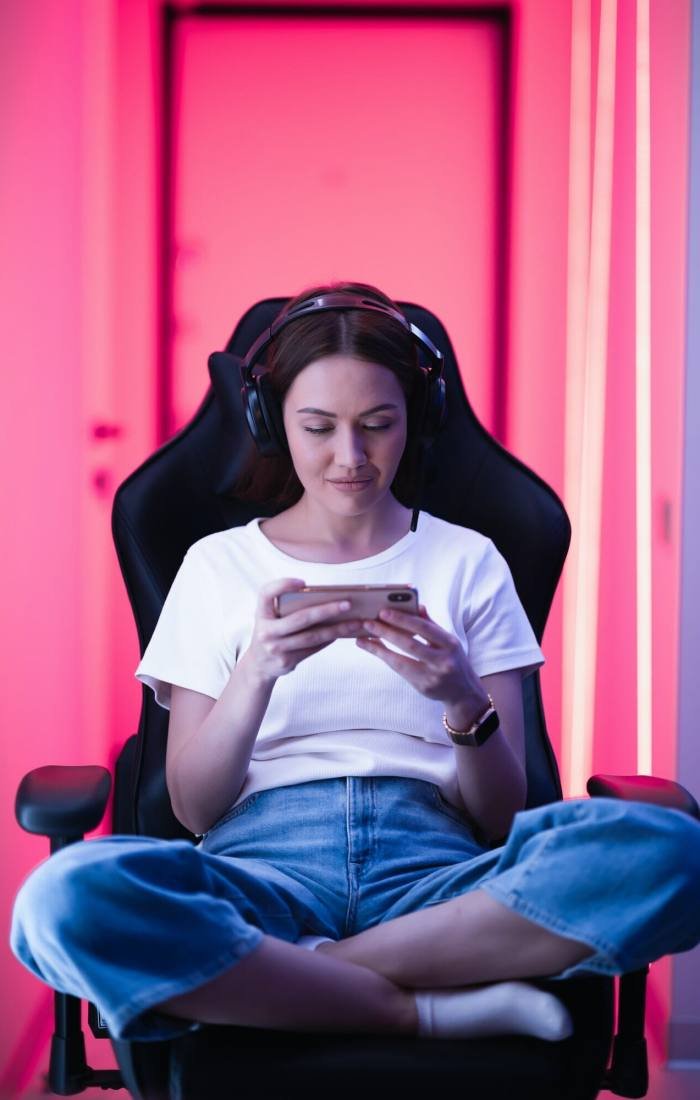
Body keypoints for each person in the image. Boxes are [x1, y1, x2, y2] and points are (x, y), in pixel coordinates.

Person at [10, 281, 700, 1046]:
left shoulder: (468, 562)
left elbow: (504, 819)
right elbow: (195, 811)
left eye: (378, 425)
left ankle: (309, 972)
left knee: (671, 852)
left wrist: (463, 703)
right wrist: (256, 674)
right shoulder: (217, 566)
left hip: (438, 877)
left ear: (416, 422)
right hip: (260, 871)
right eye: (318, 427)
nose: (351, 457)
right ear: (272, 425)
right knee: (60, 902)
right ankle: (410, 1007)